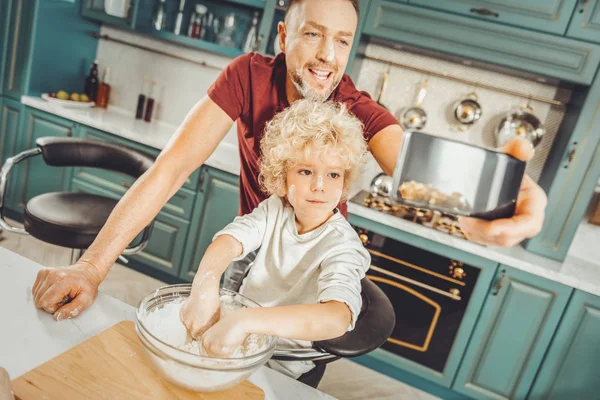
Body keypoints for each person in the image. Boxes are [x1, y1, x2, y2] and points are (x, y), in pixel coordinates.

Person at [31, 0, 547, 321]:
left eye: (342, 40)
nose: (328, 54)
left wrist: (502, 192)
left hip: (314, 269)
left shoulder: (357, 107)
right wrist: (93, 267)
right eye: (313, 33)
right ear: (283, 35)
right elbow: (170, 169)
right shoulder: (246, 77)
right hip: (251, 256)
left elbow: (416, 166)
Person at [180, 99, 369, 378]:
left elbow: (337, 318)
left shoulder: (343, 246)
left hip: (280, 363)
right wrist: (204, 284)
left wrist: (245, 322)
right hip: (237, 339)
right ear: (283, 176)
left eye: (333, 174)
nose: (319, 185)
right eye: (306, 171)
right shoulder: (275, 210)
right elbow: (230, 240)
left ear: (345, 180)